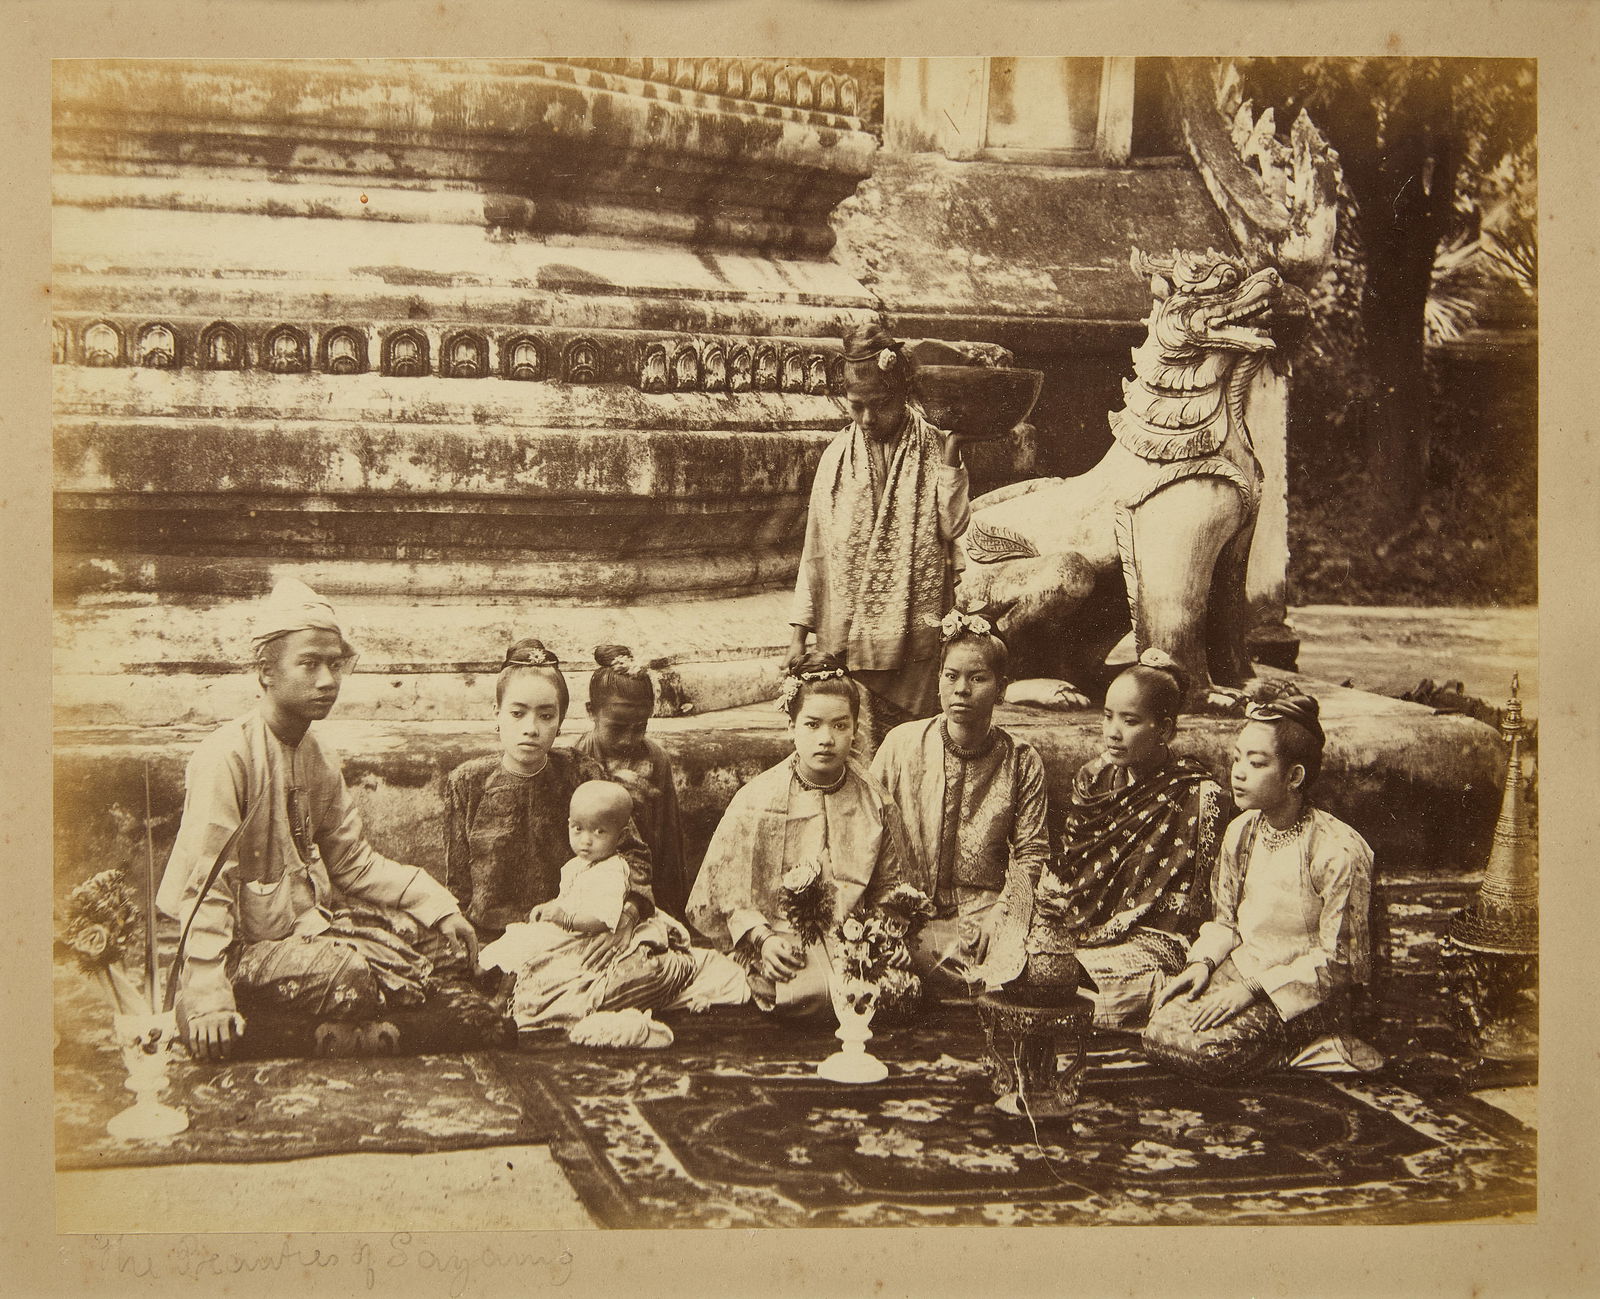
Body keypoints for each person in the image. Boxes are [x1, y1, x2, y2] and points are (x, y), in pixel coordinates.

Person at [156, 578, 497, 1061]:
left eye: (335, 665)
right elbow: (205, 886)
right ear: (266, 671)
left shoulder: (317, 755)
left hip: (311, 931)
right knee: (349, 978)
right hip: (236, 950)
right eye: (310, 663)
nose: (327, 680)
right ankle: (215, 1017)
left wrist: (437, 905)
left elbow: (353, 862)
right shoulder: (226, 756)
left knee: (443, 945)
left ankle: (326, 1030)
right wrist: (209, 988)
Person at [1143, 692, 1383, 1080]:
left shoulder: (1336, 850)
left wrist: (1253, 990)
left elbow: (1338, 961)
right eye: (1237, 758)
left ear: (1294, 777)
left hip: (1309, 993)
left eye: (1256, 764)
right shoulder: (1241, 831)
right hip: (1245, 971)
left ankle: (1321, 1048)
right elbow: (1226, 923)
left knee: (1207, 1052)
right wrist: (1203, 964)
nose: (1238, 773)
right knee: (1157, 1031)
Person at [444, 638, 688, 1008]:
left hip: (573, 935)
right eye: (517, 713)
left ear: (560, 722)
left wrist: (627, 915)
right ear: (497, 713)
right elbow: (458, 885)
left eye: (546, 716)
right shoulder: (468, 782)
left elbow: (633, 855)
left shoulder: (580, 772)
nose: (531, 728)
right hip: (496, 939)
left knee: (644, 971)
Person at [686, 654, 912, 1014]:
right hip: (783, 935)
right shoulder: (757, 799)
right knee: (812, 991)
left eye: (840, 726)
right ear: (791, 726)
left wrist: (886, 930)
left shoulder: (875, 799)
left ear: (855, 729)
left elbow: (891, 884)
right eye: (812, 725)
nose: (827, 739)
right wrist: (762, 940)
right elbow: (730, 893)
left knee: (898, 988)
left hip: (856, 936)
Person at [787, 324, 973, 753]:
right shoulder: (835, 459)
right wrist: (798, 634)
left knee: (915, 751)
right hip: (848, 638)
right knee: (857, 751)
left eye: (880, 405)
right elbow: (815, 554)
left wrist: (952, 453)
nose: (868, 419)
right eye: (857, 407)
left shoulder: (933, 446)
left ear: (903, 394)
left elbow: (953, 526)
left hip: (914, 638)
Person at [1031, 651, 1231, 1028]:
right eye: (1108, 716)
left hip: (1153, 939)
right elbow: (1071, 871)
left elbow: (1198, 907)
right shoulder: (1092, 779)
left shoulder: (1197, 795)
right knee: (1033, 970)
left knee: (1079, 992)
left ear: (1164, 729)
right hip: (1081, 929)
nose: (1113, 731)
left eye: (1130, 720)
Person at [478, 781, 748, 1037]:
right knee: (519, 940)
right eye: (578, 829)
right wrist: (552, 907)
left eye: (599, 832)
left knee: (540, 952)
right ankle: (501, 996)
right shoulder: (576, 865)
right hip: (572, 926)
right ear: (568, 825)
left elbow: (603, 919)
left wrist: (565, 919)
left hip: (589, 930)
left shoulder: (611, 872)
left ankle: (510, 1000)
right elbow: (570, 896)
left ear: (620, 836)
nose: (586, 841)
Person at [870, 606, 1049, 991]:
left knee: (1022, 972)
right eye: (950, 676)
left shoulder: (1021, 759)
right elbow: (869, 827)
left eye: (977, 678)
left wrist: (1004, 912)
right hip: (907, 909)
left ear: (1001, 688)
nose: (961, 689)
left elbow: (1032, 851)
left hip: (985, 911)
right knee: (888, 978)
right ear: (938, 679)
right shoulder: (902, 745)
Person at [571, 645, 690, 920]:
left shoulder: (655, 759)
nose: (628, 740)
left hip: (643, 885)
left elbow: (668, 839)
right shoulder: (578, 759)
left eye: (640, 728)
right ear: (591, 712)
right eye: (616, 728)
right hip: (589, 888)